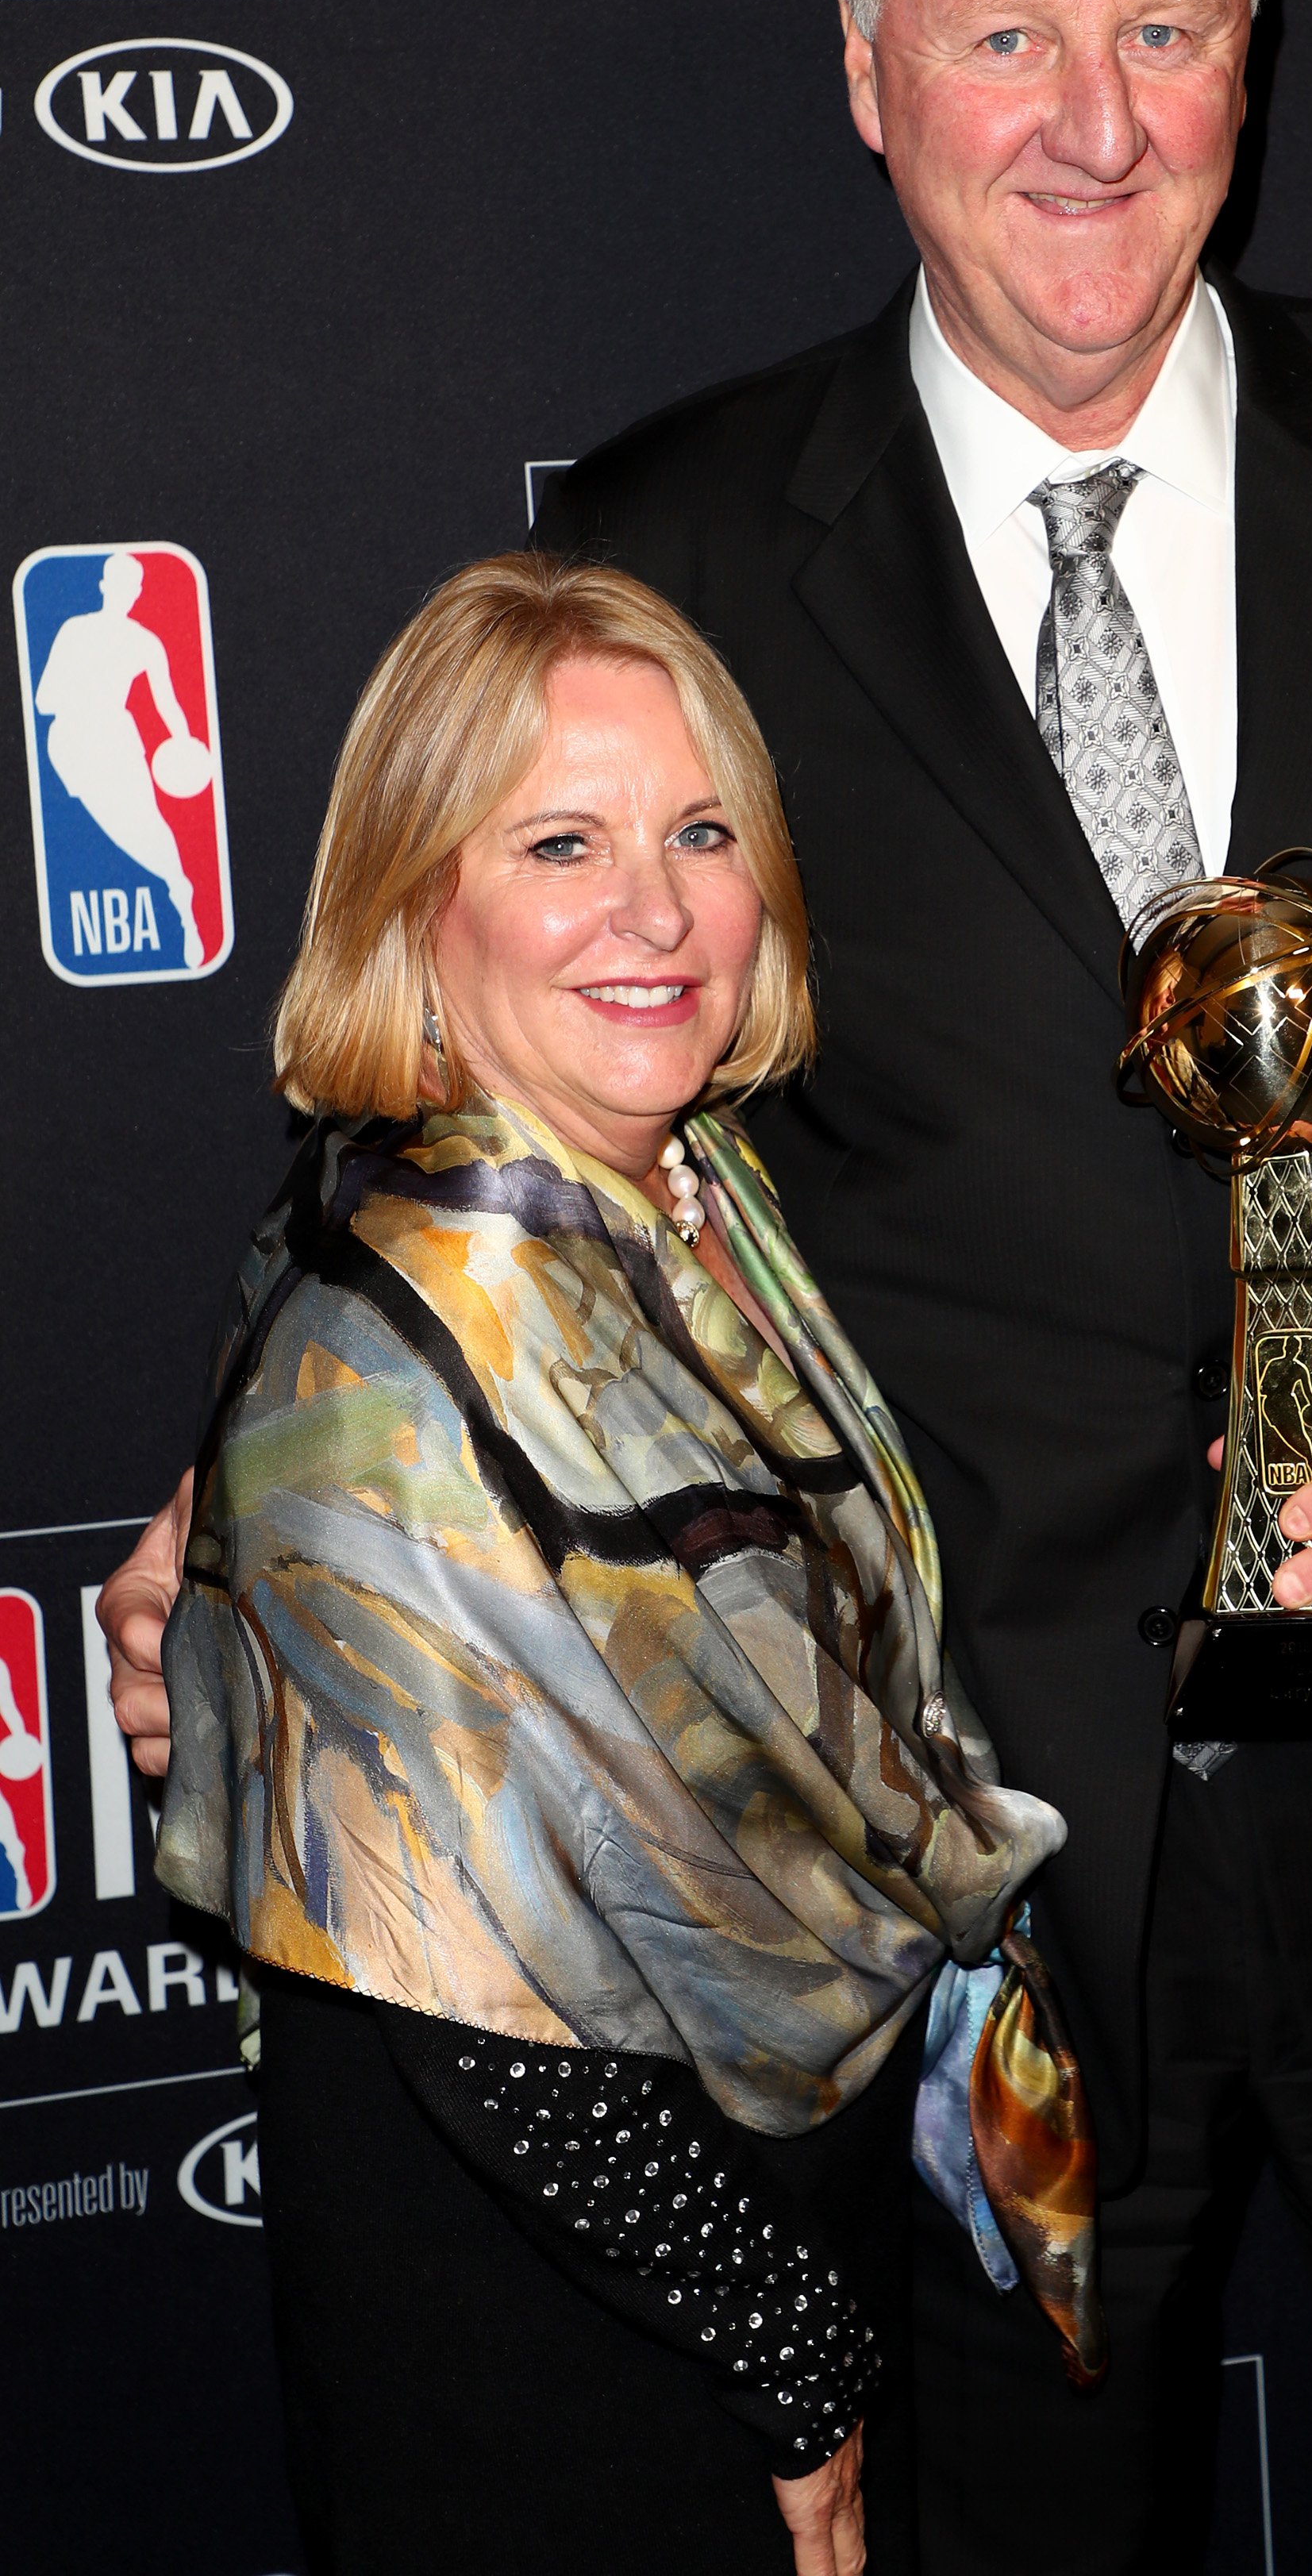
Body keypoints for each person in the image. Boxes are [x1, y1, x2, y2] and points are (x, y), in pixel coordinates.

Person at [108, 0, 1312, 2571]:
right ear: (870, 67)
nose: (1090, 119)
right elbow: (501, 1060)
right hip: (935, 1899)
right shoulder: (668, 538)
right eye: (1005, 33)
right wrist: (273, 1518)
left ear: (1253, 58)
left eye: (1163, 27)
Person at [150, 553, 1088, 2576]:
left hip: (753, 2203)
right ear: (421, 899)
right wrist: (797, 2365)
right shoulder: (404, 1349)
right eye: (562, 841)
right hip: (570, 2301)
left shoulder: (681, 1190)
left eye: (702, 831)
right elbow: (486, 2023)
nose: (657, 910)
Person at [32, 549, 207, 967]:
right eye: (121, 584)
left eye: (135, 587)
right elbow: (42, 700)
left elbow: (167, 703)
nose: (127, 594)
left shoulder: (145, 642)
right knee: (112, 830)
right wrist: (86, 689)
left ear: (138, 592)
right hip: (71, 744)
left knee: (148, 824)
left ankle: (184, 904)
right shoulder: (74, 630)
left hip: (118, 740)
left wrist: (184, 743)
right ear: (105, 586)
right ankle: (177, 887)